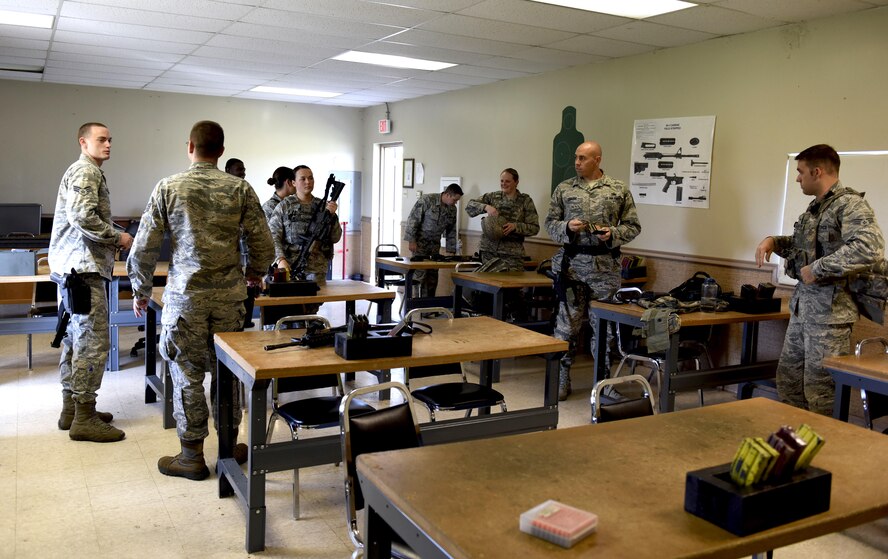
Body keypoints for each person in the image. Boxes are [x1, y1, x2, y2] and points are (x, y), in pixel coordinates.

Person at [128, 120, 274, 480]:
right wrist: (255, 272)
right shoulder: (240, 189)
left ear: (189, 146)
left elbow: (143, 245)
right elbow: (264, 244)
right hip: (230, 301)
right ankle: (228, 446)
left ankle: (191, 454)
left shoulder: (169, 187)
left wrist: (140, 289)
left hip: (185, 301)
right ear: (221, 151)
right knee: (228, 374)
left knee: (187, 374)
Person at [755, 144, 884, 415]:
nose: (797, 178)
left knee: (821, 392)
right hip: (803, 311)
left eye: (801, 172)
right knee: (789, 383)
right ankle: (797, 445)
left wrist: (819, 268)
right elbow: (807, 246)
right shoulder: (816, 208)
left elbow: (869, 247)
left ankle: (825, 452)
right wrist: (773, 241)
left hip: (830, 317)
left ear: (817, 171)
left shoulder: (849, 204)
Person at [50, 122, 133, 442]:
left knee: (74, 339)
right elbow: (83, 217)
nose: (108, 144)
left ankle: (71, 410)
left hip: (72, 269)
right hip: (82, 269)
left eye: (110, 139)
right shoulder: (86, 171)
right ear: (83, 142)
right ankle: (84, 416)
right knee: (92, 342)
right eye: (101, 139)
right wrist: (119, 236)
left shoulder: (83, 171)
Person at [545, 141, 641, 401]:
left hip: (605, 270)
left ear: (597, 160)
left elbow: (633, 226)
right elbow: (549, 224)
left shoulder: (618, 189)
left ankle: (604, 384)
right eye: (576, 157)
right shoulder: (564, 189)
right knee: (566, 328)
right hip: (572, 269)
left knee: (606, 331)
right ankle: (561, 380)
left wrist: (613, 234)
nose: (576, 162)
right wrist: (567, 227)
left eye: (583, 158)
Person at [268, 165, 341, 284]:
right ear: (293, 183)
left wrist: (332, 217)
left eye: (311, 178)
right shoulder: (285, 206)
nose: (308, 182)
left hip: (317, 273)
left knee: (314, 302)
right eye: (303, 179)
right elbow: (272, 236)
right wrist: (280, 259)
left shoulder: (324, 207)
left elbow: (335, 237)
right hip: (290, 270)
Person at [465, 168, 539, 271]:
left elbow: (534, 228)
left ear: (516, 182)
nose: (504, 184)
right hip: (488, 253)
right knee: (487, 285)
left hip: (512, 256)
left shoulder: (525, 201)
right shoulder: (492, 197)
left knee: (512, 286)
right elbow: (469, 207)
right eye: (501, 181)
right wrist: (486, 207)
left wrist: (516, 227)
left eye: (507, 181)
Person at [403, 183, 463, 297]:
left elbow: (451, 229)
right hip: (420, 243)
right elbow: (413, 219)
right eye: (455, 200)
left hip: (435, 245)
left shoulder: (452, 210)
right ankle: (416, 305)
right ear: (448, 195)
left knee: (432, 276)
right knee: (419, 275)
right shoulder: (427, 200)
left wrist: (451, 249)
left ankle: (430, 307)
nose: (456, 203)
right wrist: (412, 240)